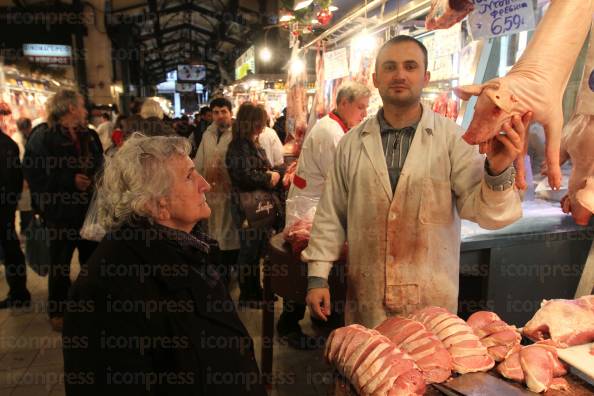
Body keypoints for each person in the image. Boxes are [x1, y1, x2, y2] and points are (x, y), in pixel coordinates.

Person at [304, 35, 532, 327]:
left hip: (432, 302)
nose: (400, 74)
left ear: (425, 77)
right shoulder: (351, 143)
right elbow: (330, 214)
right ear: (375, 78)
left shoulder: (453, 139)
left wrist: (498, 169)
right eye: (390, 67)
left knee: (428, 371)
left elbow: (487, 215)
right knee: (369, 369)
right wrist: (317, 276)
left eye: (410, 66)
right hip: (366, 299)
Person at [63, 134, 266, 396]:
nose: (204, 184)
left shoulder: (188, 247)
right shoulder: (106, 291)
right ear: (157, 204)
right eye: (189, 176)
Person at [23, 89, 104, 331]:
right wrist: (69, 181)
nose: (85, 110)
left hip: (89, 211)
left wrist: (96, 180)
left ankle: (92, 307)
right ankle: (58, 311)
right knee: (60, 263)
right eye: (81, 105)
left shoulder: (89, 135)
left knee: (93, 262)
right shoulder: (43, 137)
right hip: (60, 213)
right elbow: (34, 173)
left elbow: (101, 164)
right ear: (70, 108)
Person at [225, 102, 285, 306]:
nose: (263, 126)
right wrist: (269, 177)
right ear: (249, 122)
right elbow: (244, 176)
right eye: (259, 122)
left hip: (257, 206)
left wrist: (275, 172)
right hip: (247, 207)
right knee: (249, 251)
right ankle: (248, 295)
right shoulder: (238, 146)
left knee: (256, 250)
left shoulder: (252, 143)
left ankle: (257, 291)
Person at [288, 81, 371, 200]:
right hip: (310, 206)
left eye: (366, 108)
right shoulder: (331, 132)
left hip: (312, 202)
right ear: (343, 103)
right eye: (360, 107)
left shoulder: (334, 126)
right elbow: (340, 181)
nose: (365, 114)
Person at [194, 98, 239, 285]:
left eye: (223, 111)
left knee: (230, 234)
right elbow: (199, 162)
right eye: (216, 112)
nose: (220, 116)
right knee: (213, 234)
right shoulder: (207, 134)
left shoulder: (237, 134)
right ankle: (218, 272)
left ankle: (229, 272)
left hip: (230, 194)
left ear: (230, 113)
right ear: (211, 114)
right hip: (211, 194)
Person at [0, 107, 30, 309]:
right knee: (10, 248)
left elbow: (11, 178)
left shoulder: (5, 145)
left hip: (3, 207)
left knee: (10, 249)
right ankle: (18, 291)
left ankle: (18, 291)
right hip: (7, 206)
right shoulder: (8, 144)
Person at [12, 117, 34, 234]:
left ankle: (25, 229)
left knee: (25, 207)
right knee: (25, 207)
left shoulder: (20, 138)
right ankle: (26, 231)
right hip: (22, 178)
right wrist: (25, 178)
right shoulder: (18, 140)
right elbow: (21, 160)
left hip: (22, 178)